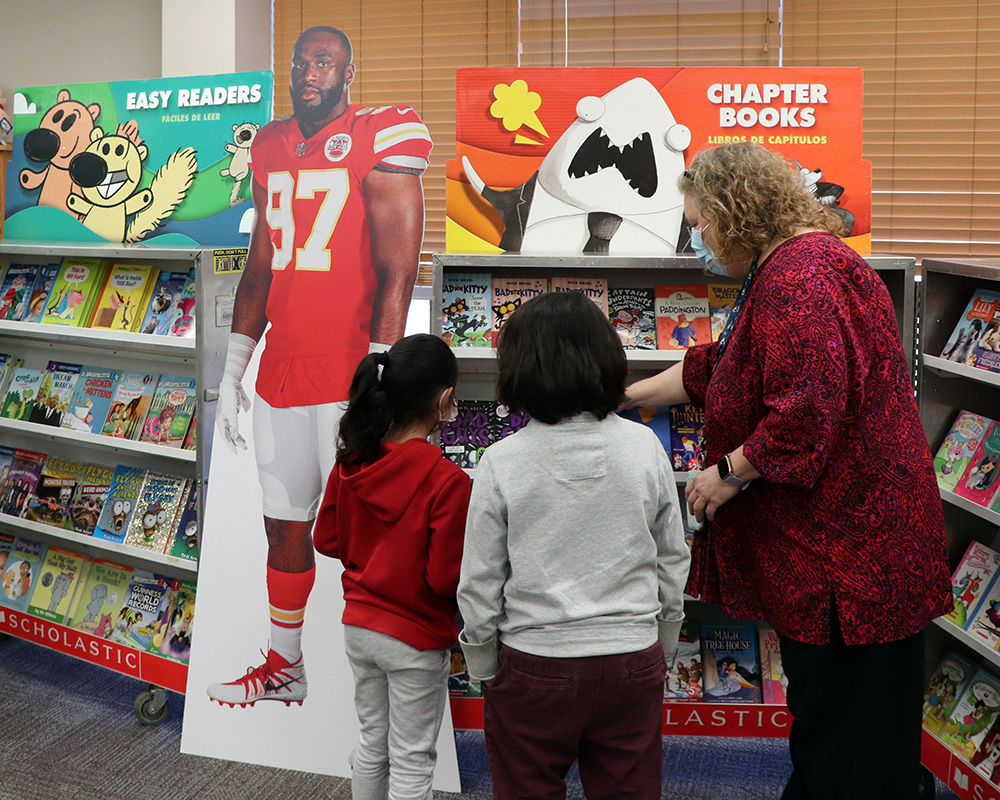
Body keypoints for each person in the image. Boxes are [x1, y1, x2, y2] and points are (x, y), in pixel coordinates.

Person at [624, 141, 952, 800]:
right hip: (849, 554)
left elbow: (809, 407)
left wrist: (728, 471)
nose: (699, 240)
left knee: (848, 741)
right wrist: (626, 396)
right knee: (845, 729)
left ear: (735, 210)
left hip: (851, 563)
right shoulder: (795, 268)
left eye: (702, 223)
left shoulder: (804, 277)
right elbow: (734, 366)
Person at [208, 25, 432, 707]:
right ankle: (285, 666)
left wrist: (381, 375)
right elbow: (260, 267)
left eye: (324, 63)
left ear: (348, 72)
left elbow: (400, 270)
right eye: (302, 61)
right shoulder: (270, 143)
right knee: (283, 523)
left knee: (369, 531)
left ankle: (379, 677)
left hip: (349, 373)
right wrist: (233, 368)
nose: (310, 73)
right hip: (283, 372)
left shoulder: (379, 133)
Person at [457, 291, 691, 800]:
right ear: (607, 357)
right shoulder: (644, 447)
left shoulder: (500, 461)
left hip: (535, 660)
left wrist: (482, 663)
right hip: (632, 653)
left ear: (517, 368)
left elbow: (479, 579)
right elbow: (672, 554)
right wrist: (665, 637)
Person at [313, 334, 470, 800]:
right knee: (412, 759)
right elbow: (444, 578)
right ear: (443, 400)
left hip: (358, 626)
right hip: (415, 637)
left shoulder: (352, 461)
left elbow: (326, 538)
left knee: (370, 744)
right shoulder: (448, 482)